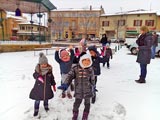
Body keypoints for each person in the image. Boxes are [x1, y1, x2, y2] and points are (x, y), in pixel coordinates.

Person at [57, 52, 95, 120]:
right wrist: (65, 84)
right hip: (78, 90)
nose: (86, 62)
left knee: (87, 104)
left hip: (88, 90)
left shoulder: (90, 70)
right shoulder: (75, 68)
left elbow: (92, 79)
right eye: (85, 60)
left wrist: (93, 87)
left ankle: (85, 116)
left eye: (88, 61)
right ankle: (75, 114)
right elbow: (70, 76)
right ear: (81, 60)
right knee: (76, 104)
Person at [29, 52, 56, 117]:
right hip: (38, 89)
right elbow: (34, 75)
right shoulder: (38, 70)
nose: (43, 65)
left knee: (46, 99)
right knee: (37, 100)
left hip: (47, 88)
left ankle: (46, 106)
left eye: (45, 64)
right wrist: (38, 76)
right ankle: (36, 110)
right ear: (39, 64)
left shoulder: (49, 71)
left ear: (47, 63)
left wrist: (53, 85)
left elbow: (52, 78)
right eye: (42, 64)